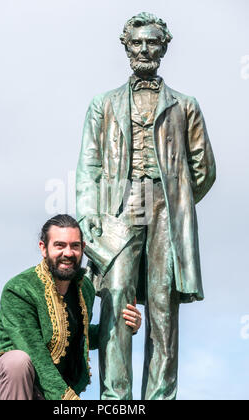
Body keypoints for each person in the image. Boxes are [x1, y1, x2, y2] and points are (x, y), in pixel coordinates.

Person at [76, 12, 216, 400]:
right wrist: (90, 215)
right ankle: (114, 398)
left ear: (164, 47)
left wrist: (178, 202)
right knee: (116, 295)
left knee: (162, 306)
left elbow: (204, 169)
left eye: (152, 42)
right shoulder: (102, 104)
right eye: (136, 42)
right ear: (126, 46)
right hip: (118, 209)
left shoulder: (185, 106)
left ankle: (159, 396)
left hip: (166, 211)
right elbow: (89, 166)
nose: (144, 49)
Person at [0, 214, 141, 400]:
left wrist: (124, 326)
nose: (68, 253)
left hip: (50, 391)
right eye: (60, 245)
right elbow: (33, 350)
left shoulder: (85, 290)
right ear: (43, 248)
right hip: (13, 387)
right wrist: (66, 398)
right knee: (17, 362)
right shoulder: (19, 289)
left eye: (74, 246)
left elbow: (77, 335)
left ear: (83, 249)